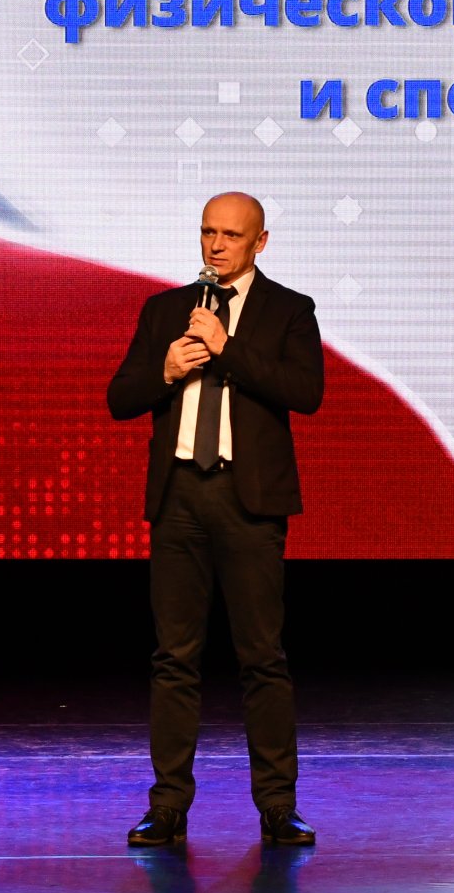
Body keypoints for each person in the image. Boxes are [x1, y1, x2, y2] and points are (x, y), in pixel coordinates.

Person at [107, 192, 324, 849]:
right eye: (208, 232)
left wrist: (226, 348)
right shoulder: (166, 309)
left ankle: (278, 806)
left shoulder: (290, 310)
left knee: (262, 658)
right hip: (179, 500)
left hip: (248, 502)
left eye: (231, 234)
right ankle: (167, 805)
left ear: (260, 242)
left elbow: (304, 392)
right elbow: (121, 397)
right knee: (174, 658)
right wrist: (166, 369)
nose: (216, 245)